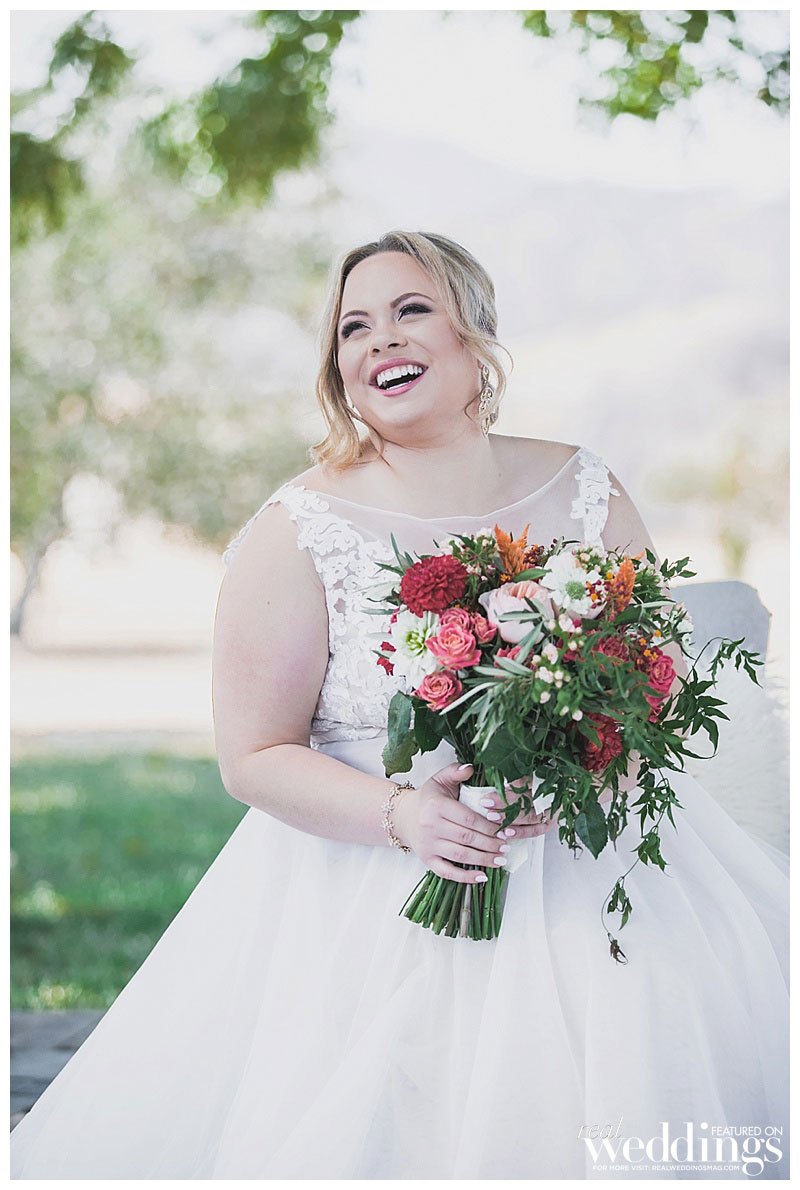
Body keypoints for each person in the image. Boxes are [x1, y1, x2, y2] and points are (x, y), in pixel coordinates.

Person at [10, 231, 789, 1179]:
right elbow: (252, 754)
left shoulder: (585, 488)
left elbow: (653, 687)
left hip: (595, 860)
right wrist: (406, 816)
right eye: (354, 327)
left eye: (411, 310)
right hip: (363, 889)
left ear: (474, 333)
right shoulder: (300, 528)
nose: (380, 338)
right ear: (338, 367)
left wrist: (585, 768)